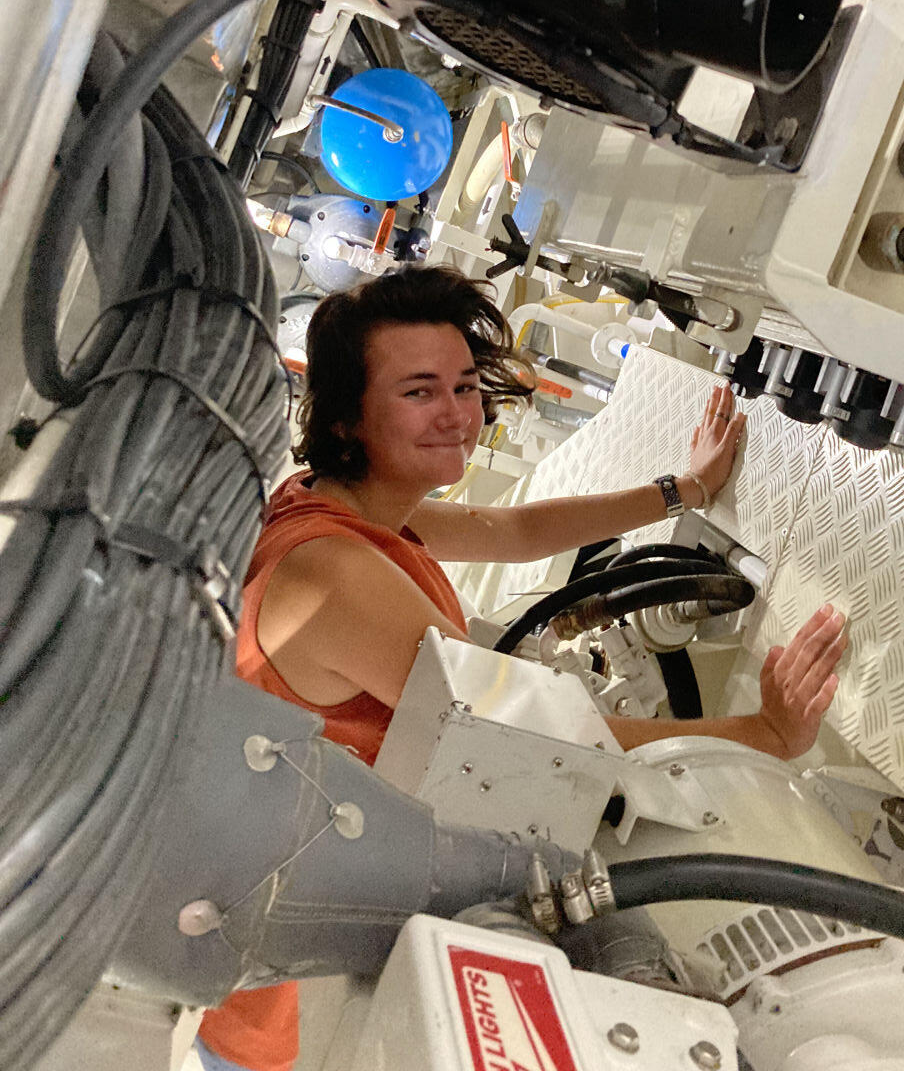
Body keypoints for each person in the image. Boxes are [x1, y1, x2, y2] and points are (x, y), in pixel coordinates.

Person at [195, 265, 846, 1071]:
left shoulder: (339, 502)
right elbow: (539, 735)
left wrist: (683, 489)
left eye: (464, 387)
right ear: (346, 417)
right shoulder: (334, 576)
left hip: (318, 925)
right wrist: (764, 734)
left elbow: (512, 530)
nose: (456, 415)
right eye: (419, 392)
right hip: (296, 1011)